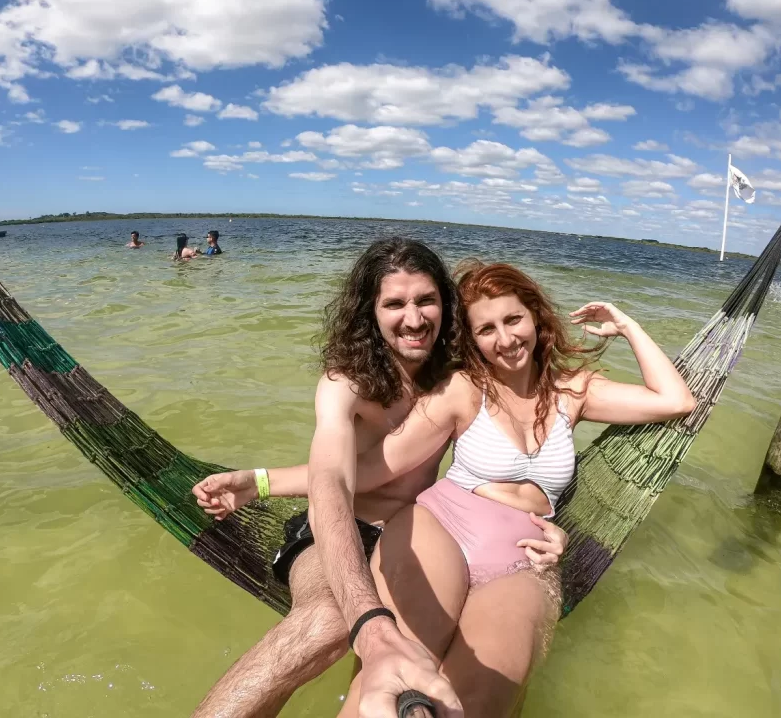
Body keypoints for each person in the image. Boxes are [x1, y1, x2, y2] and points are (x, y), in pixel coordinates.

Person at [202, 261, 696, 717]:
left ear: (537, 320)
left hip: (522, 554)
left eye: (513, 319)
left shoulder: (576, 391)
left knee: (476, 700)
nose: (505, 339)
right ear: (472, 339)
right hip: (439, 527)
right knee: (393, 684)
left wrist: (626, 325)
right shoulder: (463, 389)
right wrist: (260, 482)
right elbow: (370, 469)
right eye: (486, 329)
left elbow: (677, 401)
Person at [191, 241, 565, 718]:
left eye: (426, 300)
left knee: (460, 664)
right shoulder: (346, 384)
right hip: (345, 531)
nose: (413, 319)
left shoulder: (456, 377)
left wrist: (544, 520)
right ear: (370, 312)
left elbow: (528, 439)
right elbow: (334, 482)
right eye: (394, 304)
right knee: (329, 620)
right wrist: (261, 484)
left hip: (433, 536)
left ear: (446, 307)